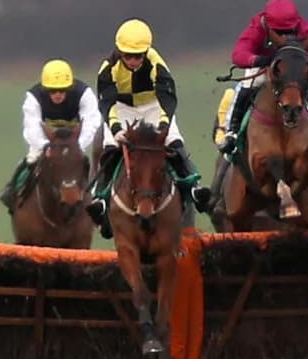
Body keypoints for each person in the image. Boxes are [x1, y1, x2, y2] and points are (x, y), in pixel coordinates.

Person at [88, 19, 214, 229]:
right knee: (110, 148)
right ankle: (100, 199)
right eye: (128, 56)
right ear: (119, 51)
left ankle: (193, 187)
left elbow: (168, 98)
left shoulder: (156, 62)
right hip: (121, 108)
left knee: (174, 142)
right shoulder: (107, 68)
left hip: (153, 106)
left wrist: (164, 125)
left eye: (138, 56)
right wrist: (116, 129)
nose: (133, 61)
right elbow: (106, 102)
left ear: (146, 52)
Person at [215, 0, 308, 160]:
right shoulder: (257, 26)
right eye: (279, 32)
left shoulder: (304, 28)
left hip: (292, 67)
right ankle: (232, 131)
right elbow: (239, 54)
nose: (284, 36)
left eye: (288, 31)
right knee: (248, 84)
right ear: (268, 24)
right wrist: (258, 60)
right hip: (264, 65)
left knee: (306, 85)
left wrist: (306, 68)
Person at [2, 58, 105, 213]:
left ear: (69, 88)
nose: (58, 95)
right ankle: (13, 191)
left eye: (62, 90)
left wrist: (78, 145)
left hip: (74, 140)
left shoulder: (84, 94)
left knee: (85, 163)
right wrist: (45, 146)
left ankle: (97, 197)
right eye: (52, 91)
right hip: (46, 139)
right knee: (31, 160)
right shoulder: (33, 97)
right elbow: (31, 127)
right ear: (45, 89)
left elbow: (92, 122)